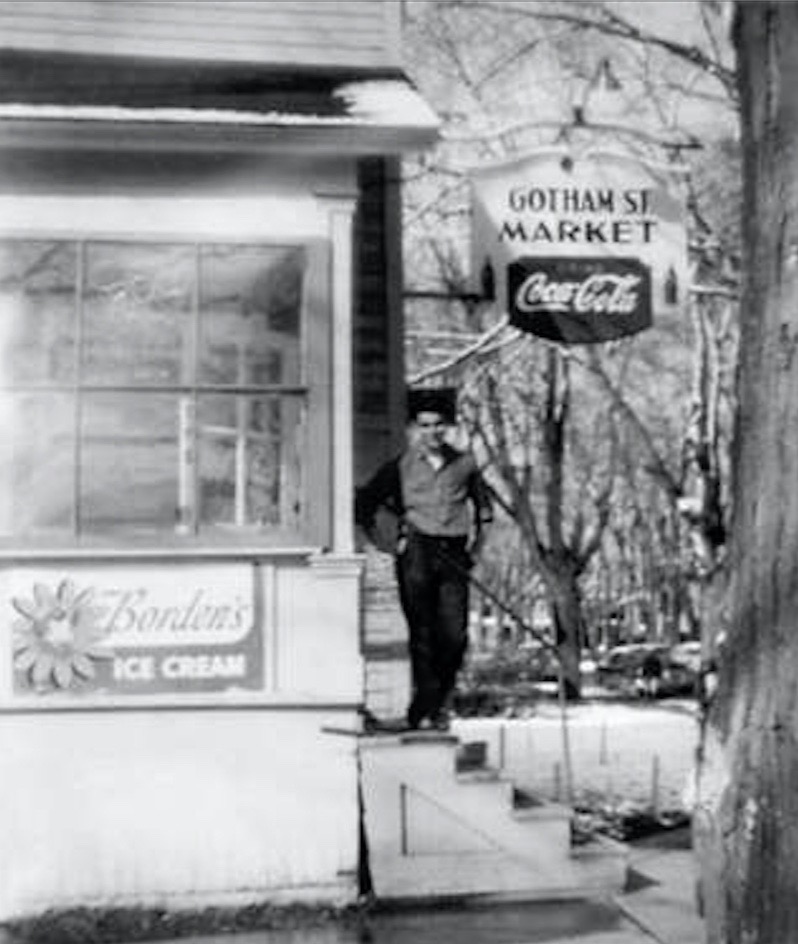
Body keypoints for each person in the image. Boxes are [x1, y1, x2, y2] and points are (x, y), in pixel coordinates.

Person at [355, 387, 493, 732]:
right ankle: (428, 709)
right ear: (415, 429)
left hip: (454, 555)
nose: (432, 433)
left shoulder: (465, 464)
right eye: (425, 426)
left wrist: (477, 549)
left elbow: (485, 512)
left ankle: (431, 702)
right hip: (416, 551)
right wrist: (389, 543)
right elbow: (365, 505)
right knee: (422, 633)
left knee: (455, 635)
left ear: (448, 428)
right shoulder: (401, 466)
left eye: (439, 426)